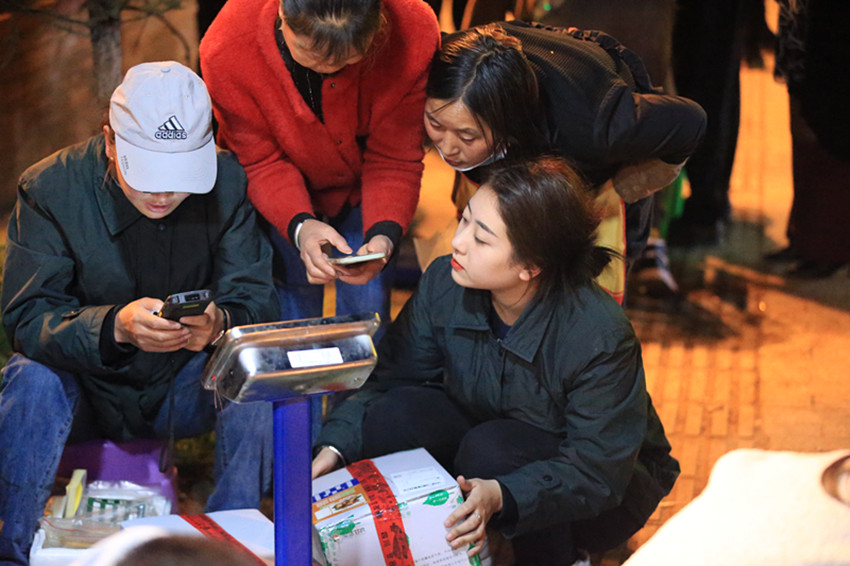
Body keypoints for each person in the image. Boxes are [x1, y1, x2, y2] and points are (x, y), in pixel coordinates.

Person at [312, 157, 679, 565]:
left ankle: (561, 557)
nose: (458, 242)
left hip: (604, 489)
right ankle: (435, 546)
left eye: (482, 239)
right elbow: (390, 380)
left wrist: (505, 494)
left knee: (492, 451)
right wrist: (336, 445)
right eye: (465, 221)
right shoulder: (445, 282)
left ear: (530, 266)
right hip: (490, 437)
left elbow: (598, 469)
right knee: (395, 414)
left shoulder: (598, 334)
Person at [0, 62, 280, 566]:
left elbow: (256, 299)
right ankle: (10, 550)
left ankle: (232, 540)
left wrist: (220, 324)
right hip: (85, 389)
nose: (162, 194)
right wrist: (115, 327)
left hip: (183, 385)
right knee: (30, 378)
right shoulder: (49, 188)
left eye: (180, 178)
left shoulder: (229, 183)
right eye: (147, 174)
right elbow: (27, 319)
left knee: (252, 362)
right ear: (110, 141)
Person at [423, 21, 706, 304]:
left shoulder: (595, 125)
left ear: (507, 124)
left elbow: (691, 123)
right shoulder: (448, 61)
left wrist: (623, 185)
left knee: (571, 305)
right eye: (435, 124)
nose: (447, 148)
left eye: (467, 136)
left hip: (586, 173)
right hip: (522, 124)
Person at [199, 0, 440, 327]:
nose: (328, 66)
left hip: (365, 190)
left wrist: (384, 235)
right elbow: (261, 160)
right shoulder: (227, 47)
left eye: (350, 56)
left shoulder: (413, 31)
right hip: (278, 190)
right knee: (291, 308)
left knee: (367, 307)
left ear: (379, 22)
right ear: (282, 12)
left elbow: (394, 156)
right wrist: (300, 227)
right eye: (309, 51)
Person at [765, 0, 850, 278]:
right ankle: (806, 238)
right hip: (805, 21)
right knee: (804, 126)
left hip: (829, 29)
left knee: (828, 130)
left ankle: (828, 245)